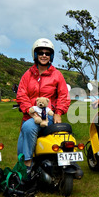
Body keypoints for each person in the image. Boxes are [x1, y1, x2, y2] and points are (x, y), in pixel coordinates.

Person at [16, 38, 70, 170]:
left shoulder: (57, 75)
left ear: (51, 56)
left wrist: (58, 113)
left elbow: (63, 95)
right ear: (35, 55)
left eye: (47, 53)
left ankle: (27, 166)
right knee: (20, 149)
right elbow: (21, 94)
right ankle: (26, 163)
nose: (44, 56)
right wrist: (29, 109)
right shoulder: (27, 75)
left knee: (29, 127)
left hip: (48, 115)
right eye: (41, 53)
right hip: (29, 115)